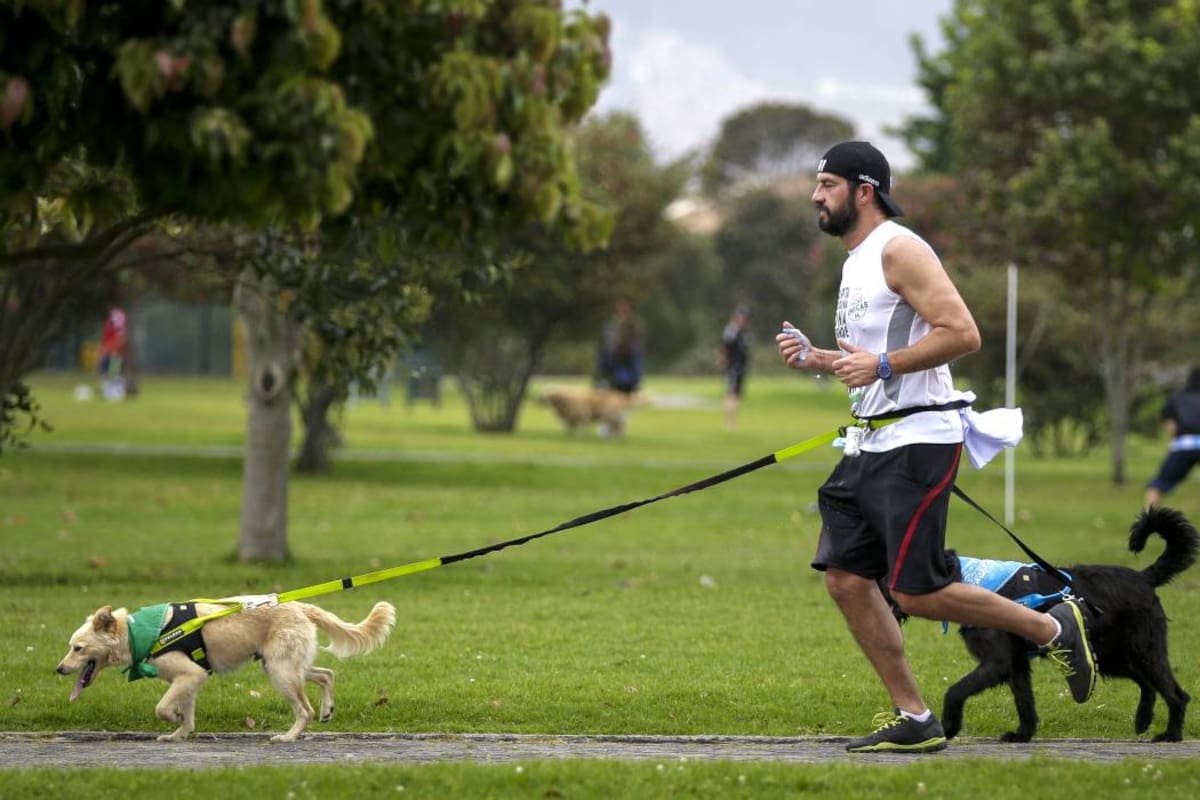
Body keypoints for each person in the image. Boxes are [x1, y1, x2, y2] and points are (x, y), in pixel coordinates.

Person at [774, 140, 1096, 754]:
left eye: (827, 184)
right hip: (870, 444)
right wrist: (820, 359)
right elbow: (870, 359)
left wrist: (887, 364)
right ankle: (916, 717)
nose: (816, 196)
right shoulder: (856, 260)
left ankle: (1049, 625)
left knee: (915, 591)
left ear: (863, 190)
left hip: (919, 442)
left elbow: (963, 333)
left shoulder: (901, 248)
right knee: (844, 577)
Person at [1145, 366, 1200, 507]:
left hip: (1184, 444)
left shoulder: (1177, 397)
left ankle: (1149, 522)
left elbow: (1169, 422)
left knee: (1158, 486)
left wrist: (1176, 438)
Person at [720, 306, 751, 429]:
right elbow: (724, 347)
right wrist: (723, 360)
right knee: (731, 393)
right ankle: (729, 422)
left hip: (741, 367)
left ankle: (733, 421)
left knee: (737, 395)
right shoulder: (731, 331)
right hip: (733, 367)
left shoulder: (744, 332)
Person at [97, 306, 128, 401]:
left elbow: (120, 336)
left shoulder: (117, 316)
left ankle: (117, 393)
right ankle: (109, 393)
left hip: (114, 350)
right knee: (105, 370)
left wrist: (113, 349)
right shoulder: (111, 318)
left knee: (113, 371)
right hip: (110, 349)